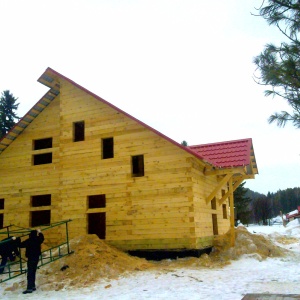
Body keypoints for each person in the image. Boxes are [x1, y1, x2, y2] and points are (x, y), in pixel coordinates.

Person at [20, 229, 44, 294]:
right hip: (36, 258)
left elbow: (21, 245)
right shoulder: (38, 240)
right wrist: (40, 233)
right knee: (33, 271)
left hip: (31, 258)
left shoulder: (29, 241)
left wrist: (15, 239)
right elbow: (42, 238)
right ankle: (32, 286)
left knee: (30, 273)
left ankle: (29, 288)